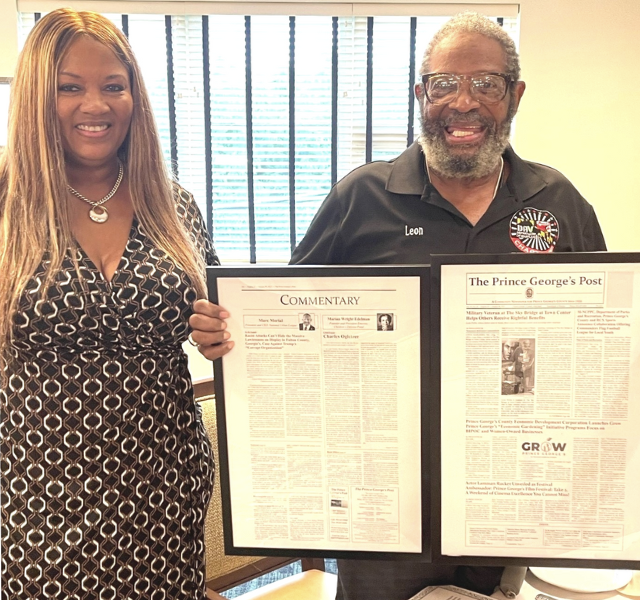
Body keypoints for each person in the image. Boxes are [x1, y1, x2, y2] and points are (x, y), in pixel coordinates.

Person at [191, 11, 607, 600]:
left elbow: (601, 337)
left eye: (485, 83)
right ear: (421, 94)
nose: (463, 102)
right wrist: (225, 332)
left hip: (509, 490)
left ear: (515, 96)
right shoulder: (361, 199)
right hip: (383, 497)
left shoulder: (558, 201)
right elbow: (279, 324)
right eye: (443, 84)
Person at [0, 9, 230, 600]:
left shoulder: (172, 204)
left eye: (113, 86)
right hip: (36, 492)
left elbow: (218, 315)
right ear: (35, 97)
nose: (95, 105)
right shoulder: (6, 204)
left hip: (164, 484)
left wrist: (216, 333)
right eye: (69, 87)